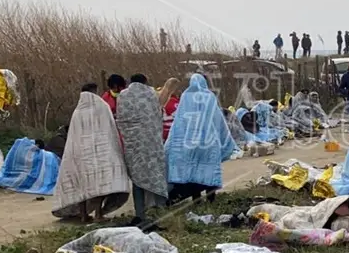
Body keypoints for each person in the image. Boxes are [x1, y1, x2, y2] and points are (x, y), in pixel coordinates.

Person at [53, 84, 130, 223]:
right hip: (100, 154)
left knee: (81, 186)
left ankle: (83, 215)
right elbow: (110, 131)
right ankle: (98, 214)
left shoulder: (77, 112)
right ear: (94, 92)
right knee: (100, 184)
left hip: (80, 155)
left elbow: (73, 137)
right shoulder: (102, 107)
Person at [166, 73, 238, 202]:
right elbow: (217, 119)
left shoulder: (185, 97)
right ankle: (211, 199)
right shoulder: (209, 97)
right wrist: (225, 137)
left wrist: (173, 142)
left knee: (194, 172)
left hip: (190, 143)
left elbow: (179, 122)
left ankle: (196, 199)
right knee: (209, 169)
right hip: (208, 143)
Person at [116, 74, 171, 223]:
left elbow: (121, 119)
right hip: (151, 144)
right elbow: (158, 112)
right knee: (156, 175)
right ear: (145, 82)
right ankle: (159, 210)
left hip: (133, 145)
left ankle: (140, 213)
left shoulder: (123, 96)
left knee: (137, 179)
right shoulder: (152, 94)